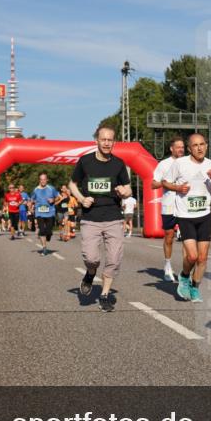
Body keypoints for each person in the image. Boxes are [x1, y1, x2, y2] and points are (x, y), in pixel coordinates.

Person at [69, 126, 132, 312]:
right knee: (91, 258)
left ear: (114, 142)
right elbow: (72, 184)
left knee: (114, 258)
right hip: (91, 218)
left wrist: (124, 191)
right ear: (96, 140)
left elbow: (128, 188)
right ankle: (90, 274)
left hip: (113, 216)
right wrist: (81, 199)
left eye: (110, 140)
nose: (106, 143)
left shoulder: (119, 164)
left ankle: (104, 295)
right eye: (103, 139)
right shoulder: (85, 162)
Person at [160, 133, 211, 303]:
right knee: (192, 257)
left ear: (206, 146)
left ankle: (195, 288)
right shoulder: (180, 164)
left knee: (203, 258)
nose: (199, 148)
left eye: (202, 144)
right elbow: (164, 182)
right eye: (195, 145)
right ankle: (184, 275)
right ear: (189, 149)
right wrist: (178, 188)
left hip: (204, 215)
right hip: (185, 216)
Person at [151, 136, 185, 281]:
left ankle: (186, 271)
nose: (181, 149)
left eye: (183, 147)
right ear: (171, 149)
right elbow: (153, 184)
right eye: (178, 147)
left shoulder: (188, 163)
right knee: (169, 237)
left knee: (188, 239)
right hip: (169, 205)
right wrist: (167, 183)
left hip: (185, 206)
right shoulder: (164, 164)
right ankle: (167, 266)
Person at [31, 173, 58, 254]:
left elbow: (58, 197)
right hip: (39, 212)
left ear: (47, 180)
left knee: (48, 231)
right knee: (42, 230)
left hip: (50, 212)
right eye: (41, 179)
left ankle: (49, 234)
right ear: (39, 180)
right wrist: (31, 204)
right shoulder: (35, 189)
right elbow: (32, 199)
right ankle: (44, 248)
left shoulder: (51, 188)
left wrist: (53, 200)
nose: (43, 181)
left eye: (44, 179)